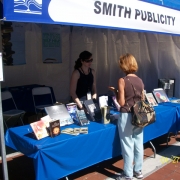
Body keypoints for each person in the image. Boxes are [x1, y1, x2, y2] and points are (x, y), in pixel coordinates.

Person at [109, 53, 144, 180]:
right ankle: (138, 171)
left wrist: (116, 92)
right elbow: (142, 98)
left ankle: (127, 174)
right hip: (139, 115)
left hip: (126, 115)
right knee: (138, 143)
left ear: (123, 65)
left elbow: (122, 102)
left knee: (127, 145)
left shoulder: (122, 80)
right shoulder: (140, 80)